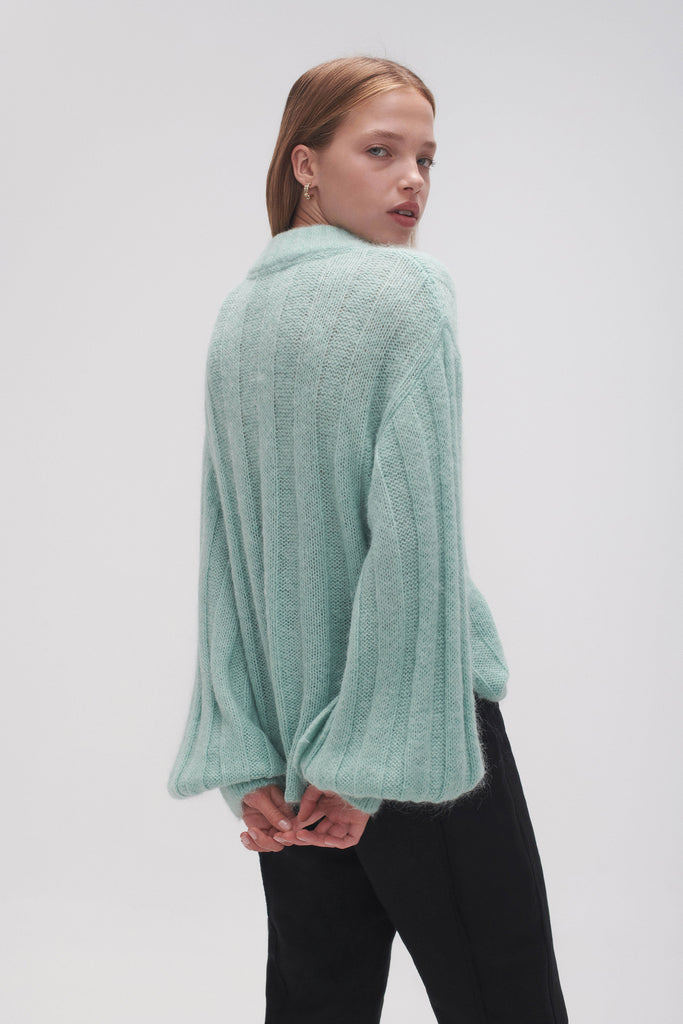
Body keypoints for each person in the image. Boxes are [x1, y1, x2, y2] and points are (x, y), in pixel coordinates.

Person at [167, 55, 569, 1024]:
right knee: (507, 999)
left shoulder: (241, 313)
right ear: (304, 163)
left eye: (425, 158)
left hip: (291, 753)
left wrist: (248, 758)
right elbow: (414, 545)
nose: (411, 181)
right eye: (380, 151)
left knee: (317, 1004)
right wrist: (370, 761)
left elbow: (228, 557)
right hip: (413, 726)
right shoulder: (406, 292)